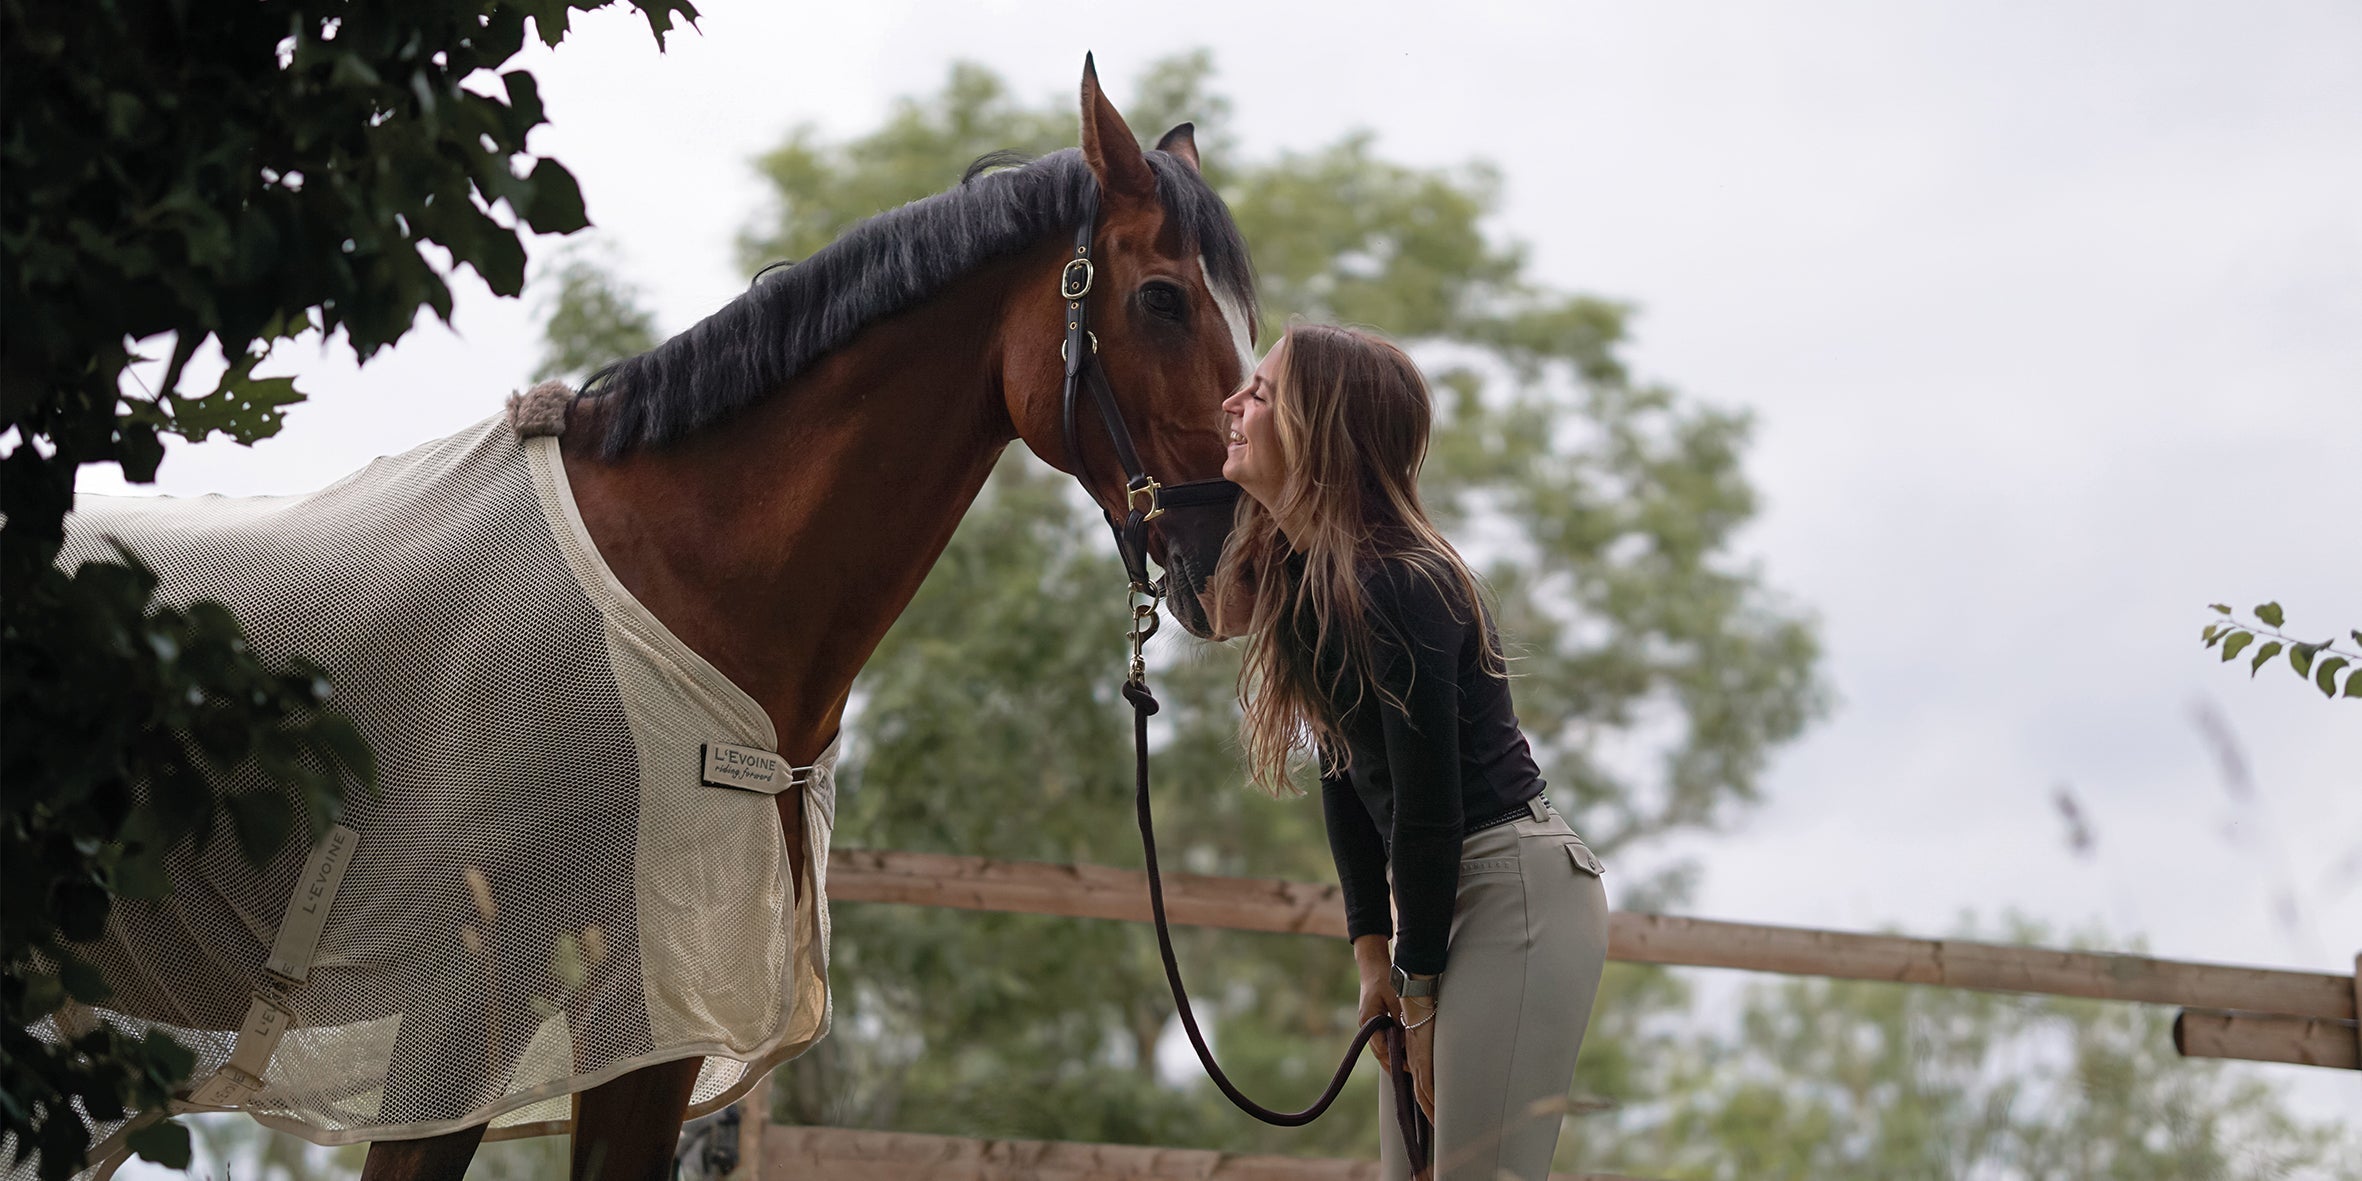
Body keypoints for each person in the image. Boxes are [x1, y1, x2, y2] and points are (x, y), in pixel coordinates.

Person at [1208, 323, 1611, 1181]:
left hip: (1513, 894)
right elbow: (1349, 782)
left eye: (1263, 393)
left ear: (1323, 430)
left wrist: (1418, 990)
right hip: (1432, 904)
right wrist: (1373, 960)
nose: (1232, 405)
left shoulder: (1401, 581)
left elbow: (1429, 807)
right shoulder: (1308, 584)